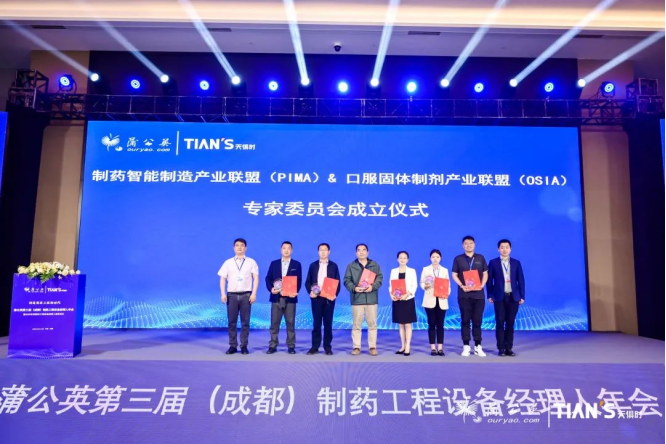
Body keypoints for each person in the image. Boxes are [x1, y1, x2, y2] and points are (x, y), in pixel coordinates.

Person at [218, 238, 259, 355]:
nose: (239, 247)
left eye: (242, 245)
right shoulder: (228, 262)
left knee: (245, 323)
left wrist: (254, 293)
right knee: (232, 322)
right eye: (237, 245)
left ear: (246, 248)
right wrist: (223, 294)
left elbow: (256, 278)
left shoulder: (251, 262)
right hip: (232, 295)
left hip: (246, 295)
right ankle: (233, 346)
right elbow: (222, 279)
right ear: (234, 248)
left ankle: (244, 346)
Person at [451, 236, 489, 357]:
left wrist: (482, 285)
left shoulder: (480, 258)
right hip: (464, 295)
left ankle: (478, 346)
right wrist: (462, 285)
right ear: (463, 245)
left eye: (471, 243)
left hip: (478, 295)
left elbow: (485, 273)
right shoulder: (458, 259)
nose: (468, 245)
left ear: (474, 244)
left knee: (477, 321)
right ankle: (466, 346)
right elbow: (454, 274)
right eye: (466, 243)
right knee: (465, 320)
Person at [343, 243, 383, 356]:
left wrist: (372, 287)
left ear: (367, 252)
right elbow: (346, 280)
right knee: (356, 325)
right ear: (356, 253)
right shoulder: (351, 266)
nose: (361, 252)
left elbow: (380, 278)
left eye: (364, 250)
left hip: (371, 299)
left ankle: (372, 347)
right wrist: (354, 288)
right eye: (359, 250)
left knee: (372, 325)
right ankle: (356, 347)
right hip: (357, 299)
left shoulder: (374, 265)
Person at [487, 239, 525, 357]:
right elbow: (489, 280)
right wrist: (490, 295)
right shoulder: (493, 262)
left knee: (510, 323)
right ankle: (501, 348)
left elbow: (521, 280)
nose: (504, 249)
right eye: (502, 247)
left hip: (513, 297)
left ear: (510, 249)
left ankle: (509, 348)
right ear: (498, 249)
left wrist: (522, 296)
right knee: (499, 322)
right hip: (499, 297)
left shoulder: (516, 263)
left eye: (507, 247)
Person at [265, 241, 302, 355]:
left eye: (288, 248)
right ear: (281, 250)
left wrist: (294, 291)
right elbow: (268, 278)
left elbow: (299, 280)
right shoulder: (274, 263)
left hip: (290, 299)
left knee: (290, 323)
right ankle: (273, 345)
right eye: (284, 248)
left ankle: (291, 346)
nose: (286, 250)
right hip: (276, 297)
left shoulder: (296, 264)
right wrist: (271, 289)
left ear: (292, 250)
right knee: (274, 323)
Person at [305, 243, 341, 356]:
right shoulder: (313, 265)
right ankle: (315, 347)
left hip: (329, 299)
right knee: (316, 324)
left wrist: (334, 294)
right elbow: (307, 282)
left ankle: (327, 347)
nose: (323, 252)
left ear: (329, 252)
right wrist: (310, 292)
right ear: (318, 252)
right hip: (316, 299)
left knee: (328, 324)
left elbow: (338, 282)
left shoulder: (334, 266)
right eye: (321, 250)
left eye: (325, 250)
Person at [420, 249, 451, 356]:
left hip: (442, 300)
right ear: (430, 258)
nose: (435, 259)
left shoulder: (444, 270)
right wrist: (425, 286)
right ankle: (433, 347)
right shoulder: (426, 269)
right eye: (433, 257)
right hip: (430, 299)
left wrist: (447, 293)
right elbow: (422, 282)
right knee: (431, 324)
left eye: (437, 257)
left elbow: (448, 285)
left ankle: (440, 348)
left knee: (440, 324)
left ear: (440, 258)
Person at [389, 251, 418, 356]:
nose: (402, 259)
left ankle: (408, 346)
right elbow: (391, 285)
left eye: (404, 258)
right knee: (401, 324)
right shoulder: (393, 271)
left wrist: (407, 294)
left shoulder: (412, 271)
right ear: (397, 259)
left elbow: (414, 285)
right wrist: (391, 294)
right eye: (400, 258)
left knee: (408, 324)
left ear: (407, 260)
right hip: (397, 300)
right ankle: (402, 346)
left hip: (408, 299)